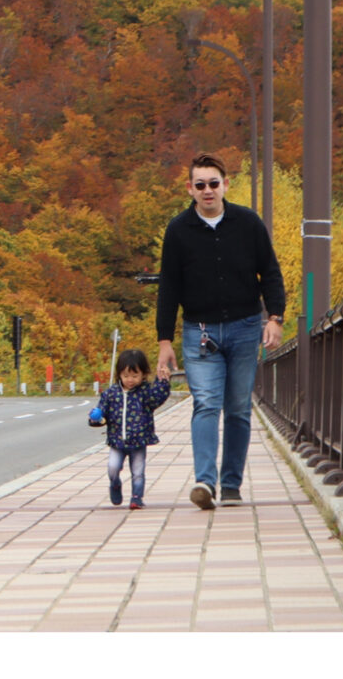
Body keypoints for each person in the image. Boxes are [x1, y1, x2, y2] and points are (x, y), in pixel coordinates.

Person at [156, 151, 286, 510]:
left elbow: (270, 272)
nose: (208, 190)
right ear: (190, 189)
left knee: (239, 408)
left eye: (214, 183)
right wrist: (164, 341)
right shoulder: (178, 231)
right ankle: (204, 481)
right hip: (199, 331)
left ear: (226, 184)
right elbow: (168, 287)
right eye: (200, 185)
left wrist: (274, 317)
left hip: (245, 327)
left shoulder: (248, 223)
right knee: (206, 403)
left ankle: (231, 484)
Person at [93, 349, 172, 508]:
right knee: (112, 468)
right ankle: (115, 484)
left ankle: (136, 497)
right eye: (126, 376)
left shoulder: (145, 392)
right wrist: (97, 419)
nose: (130, 380)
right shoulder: (111, 394)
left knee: (138, 472)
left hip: (138, 441)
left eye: (135, 376)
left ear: (143, 374)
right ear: (119, 375)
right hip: (117, 441)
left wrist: (163, 381)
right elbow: (102, 413)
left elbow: (158, 397)